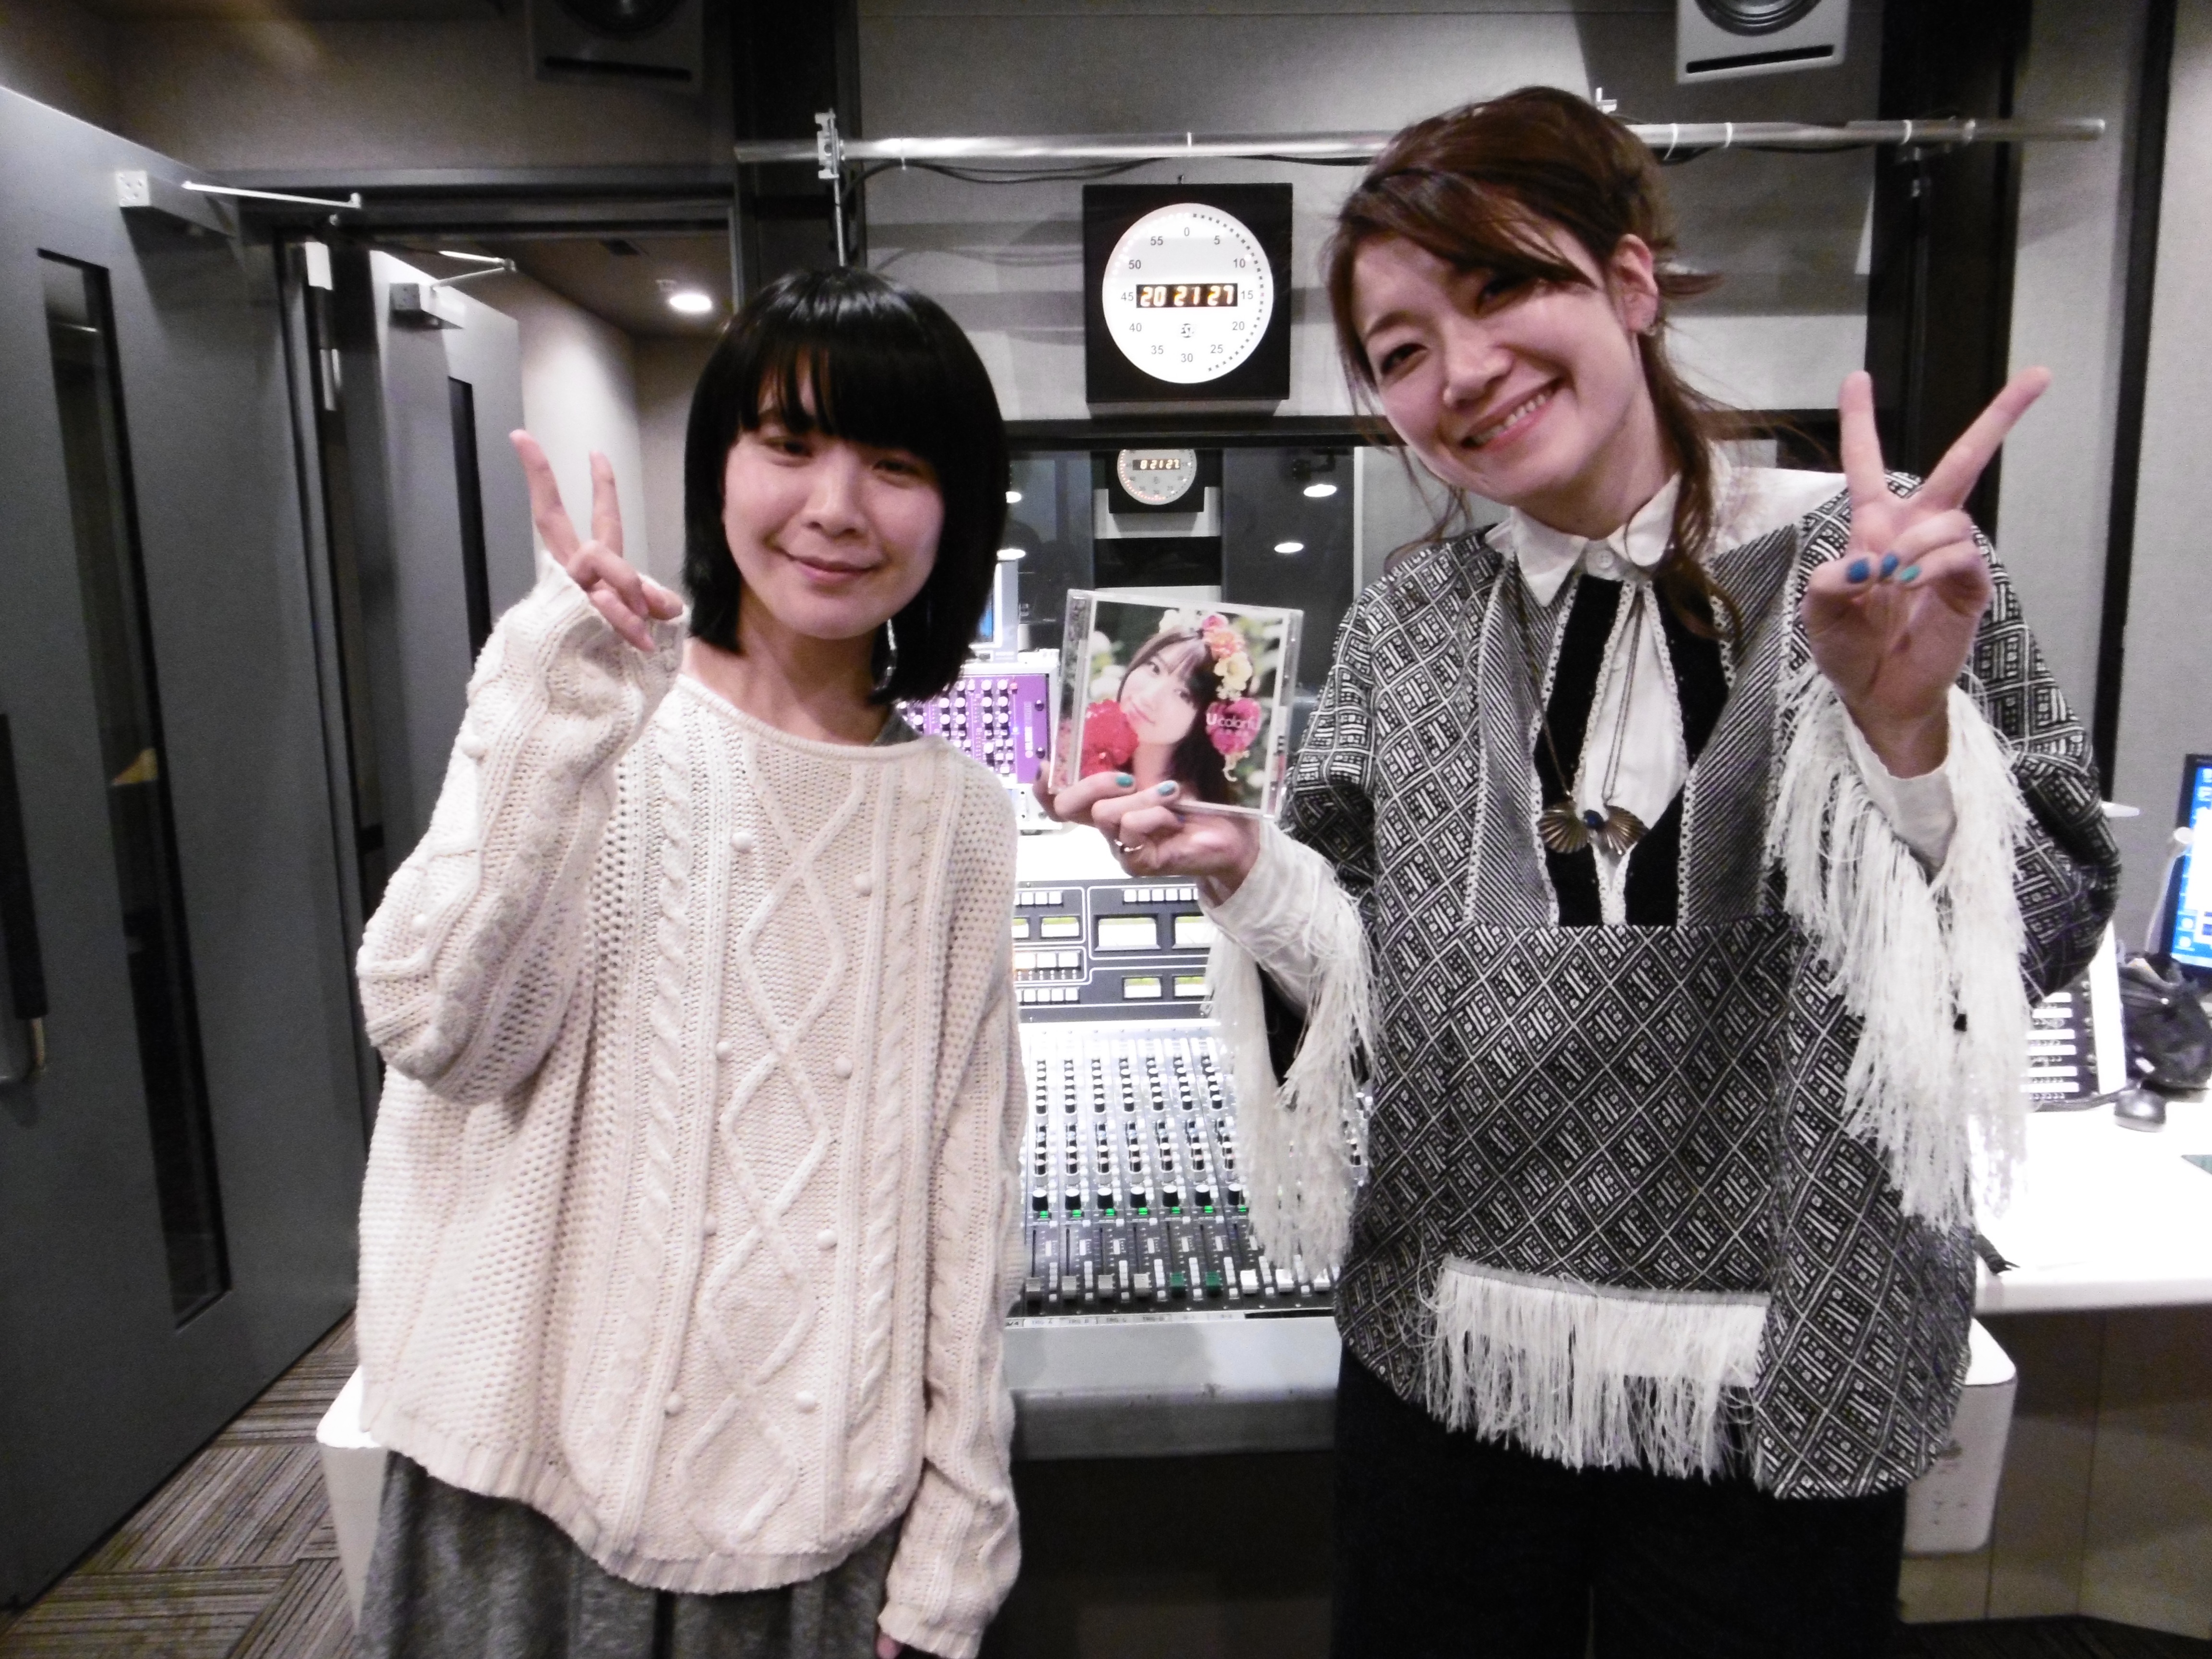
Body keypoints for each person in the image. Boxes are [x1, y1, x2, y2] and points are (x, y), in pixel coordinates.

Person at [1047, 88, 2118, 1658]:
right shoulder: (1413, 619)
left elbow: (2039, 929)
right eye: (1402, 350)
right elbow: (1361, 980)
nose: (1463, 369)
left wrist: (1901, 733)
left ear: (1627, 281)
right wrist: (1241, 868)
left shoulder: (1882, 567)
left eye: (1501, 287)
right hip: (1451, 1352)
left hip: (1783, 1363)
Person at [353, 266, 1024, 1659]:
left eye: (896, 465)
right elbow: (435, 1027)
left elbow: (969, 1189)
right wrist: (552, 704)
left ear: (953, 510)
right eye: (789, 443)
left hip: (810, 1510)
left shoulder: (958, 816)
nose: (836, 505)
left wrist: (961, 1528)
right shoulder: (592, 713)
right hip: (517, 1495)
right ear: (719, 462)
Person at [1079, 623, 1250, 807]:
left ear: (1208, 719)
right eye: (1154, 668)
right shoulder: (1078, 751)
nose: (1150, 698)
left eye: (1183, 694)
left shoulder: (1196, 814)